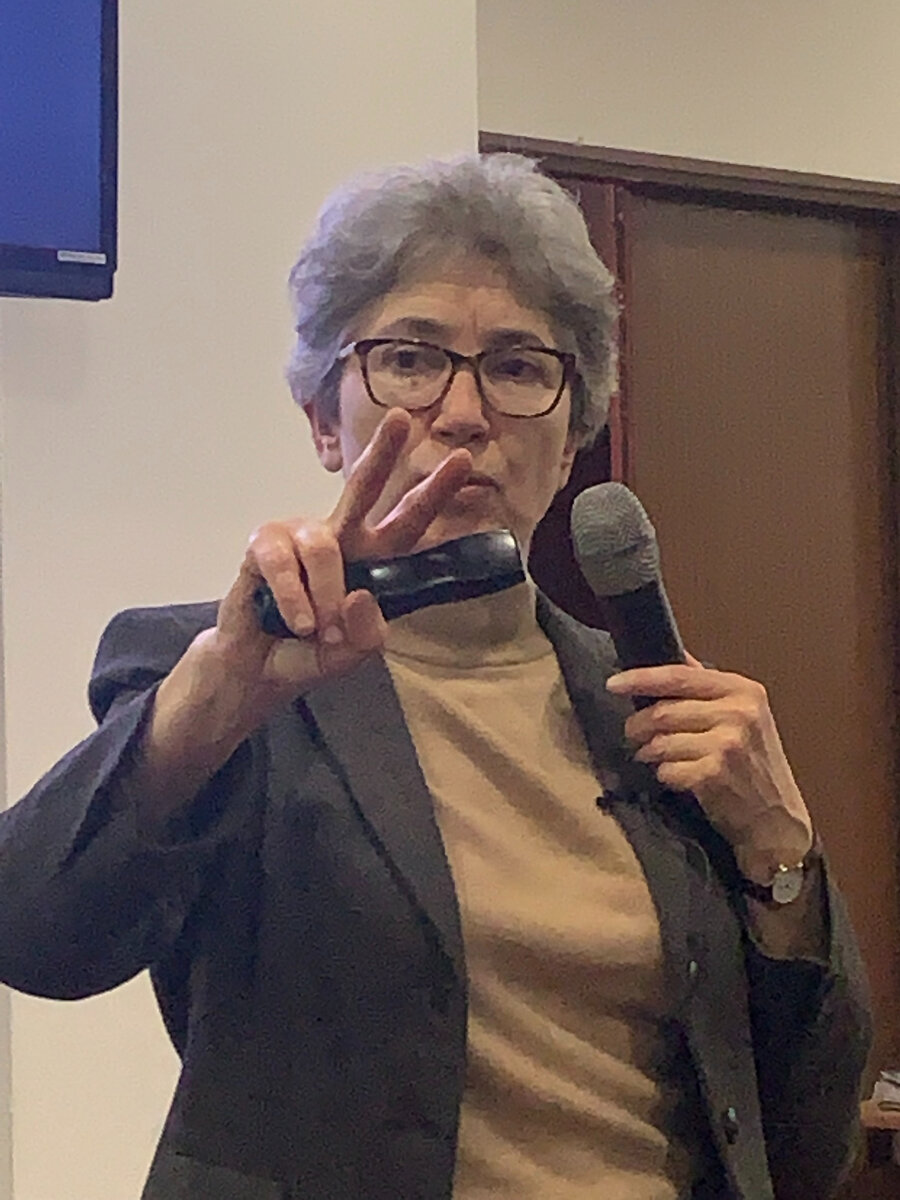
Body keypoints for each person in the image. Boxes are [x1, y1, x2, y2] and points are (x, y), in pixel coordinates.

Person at [0, 154, 871, 1200]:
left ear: (571, 440)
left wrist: (781, 854)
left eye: (517, 367)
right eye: (410, 360)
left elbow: (809, 1138)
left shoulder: (658, 715)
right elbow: (37, 936)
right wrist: (216, 698)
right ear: (326, 422)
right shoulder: (222, 676)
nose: (464, 412)